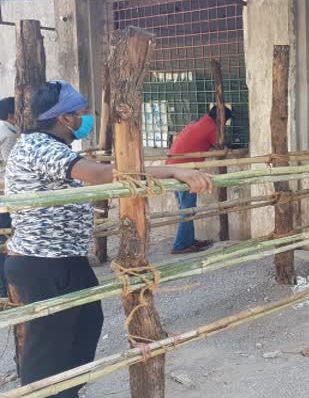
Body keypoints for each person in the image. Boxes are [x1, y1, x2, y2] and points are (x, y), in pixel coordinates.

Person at [4, 81, 212, 396]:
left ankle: (67, 393)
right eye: (81, 113)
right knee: (47, 353)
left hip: (66, 260)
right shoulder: (37, 146)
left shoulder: (55, 146)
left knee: (85, 327)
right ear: (65, 118)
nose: (85, 119)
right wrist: (171, 172)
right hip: (42, 263)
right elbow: (102, 175)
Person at [166, 106, 233, 254]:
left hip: (172, 168)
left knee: (186, 209)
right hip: (184, 171)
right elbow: (222, 146)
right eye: (226, 122)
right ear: (221, 120)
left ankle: (188, 240)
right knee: (188, 210)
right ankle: (181, 245)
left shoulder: (196, 124)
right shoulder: (211, 128)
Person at [0, 96, 18, 298]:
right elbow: (11, 168)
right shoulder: (8, 134)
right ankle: (6, 289)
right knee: (6, 239)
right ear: (12, 115)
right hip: (4, 196)